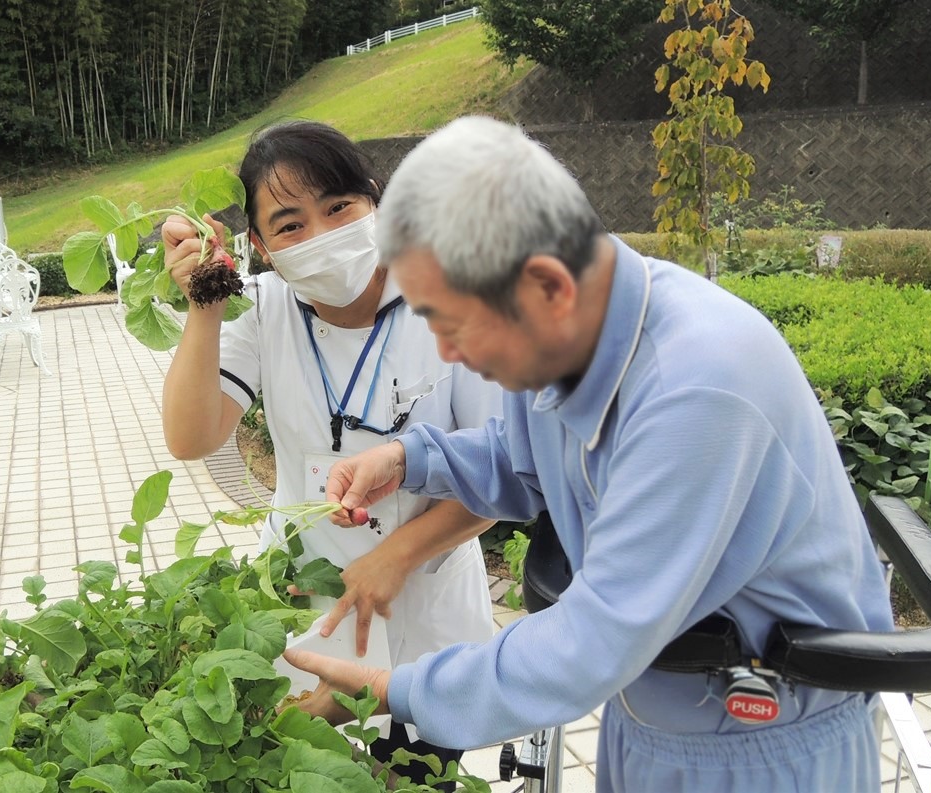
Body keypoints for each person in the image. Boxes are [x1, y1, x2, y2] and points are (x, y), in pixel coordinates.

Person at [283, 115, 895, 792]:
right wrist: (407, 459)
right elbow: (525, 458)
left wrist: (392, 688)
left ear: (547, 285)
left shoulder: (697, 391)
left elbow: (592, 640)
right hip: (654, 711)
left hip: (762, 744)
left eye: (452, 325)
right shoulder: (570, 333)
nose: (448, 352)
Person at [160, 120, 501, 788]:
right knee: (309, 769)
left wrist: (393, 557)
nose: (320, 235)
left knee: (417, 770)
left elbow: (499, 473)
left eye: (339, 207)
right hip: (306, 603)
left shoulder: (453, 299)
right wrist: (205, 300)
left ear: (376, 201)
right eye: (289, 225)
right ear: (259, 247)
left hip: (427, 606)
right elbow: (191, 437)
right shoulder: (262, 309)